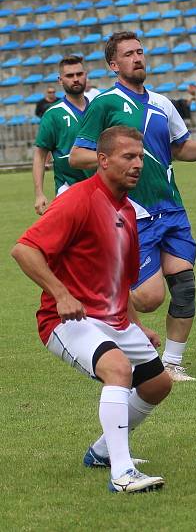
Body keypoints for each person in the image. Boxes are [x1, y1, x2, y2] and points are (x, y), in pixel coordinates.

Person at [11, 126, 173, 493]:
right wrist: (60, 293)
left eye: (140, 157)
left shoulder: (129, 212)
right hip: (67, 319)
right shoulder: (78, 200)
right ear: (102, 161)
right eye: (128, 157)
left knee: (158, 383)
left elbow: (121, 280)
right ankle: (122, 474)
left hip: (115, 319)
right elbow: (24, 249)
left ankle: (101, 451)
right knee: (118, 370)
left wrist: (137, 325)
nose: (137, 164)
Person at [70, 31, 196, 382]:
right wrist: (114, 162)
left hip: (171, 208)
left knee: (184, 286)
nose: (137, 58)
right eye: (128, 54)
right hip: (133, 213)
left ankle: (172, 363)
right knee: (148, 299)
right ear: (114, 65)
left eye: (140, 52)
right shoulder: (106, 103)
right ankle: (110, 293)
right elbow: (78, 154)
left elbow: (179, 147)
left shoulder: (162, 103)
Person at [32, 55, 91, 215]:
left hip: (101, 192)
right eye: (70, 76)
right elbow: (39, 155)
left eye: (79, 74)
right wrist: (39, 193)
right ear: (60, 80)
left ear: (86, 75)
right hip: (69, 192)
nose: (76, 79)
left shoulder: (98, 109)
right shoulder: (52, 114)